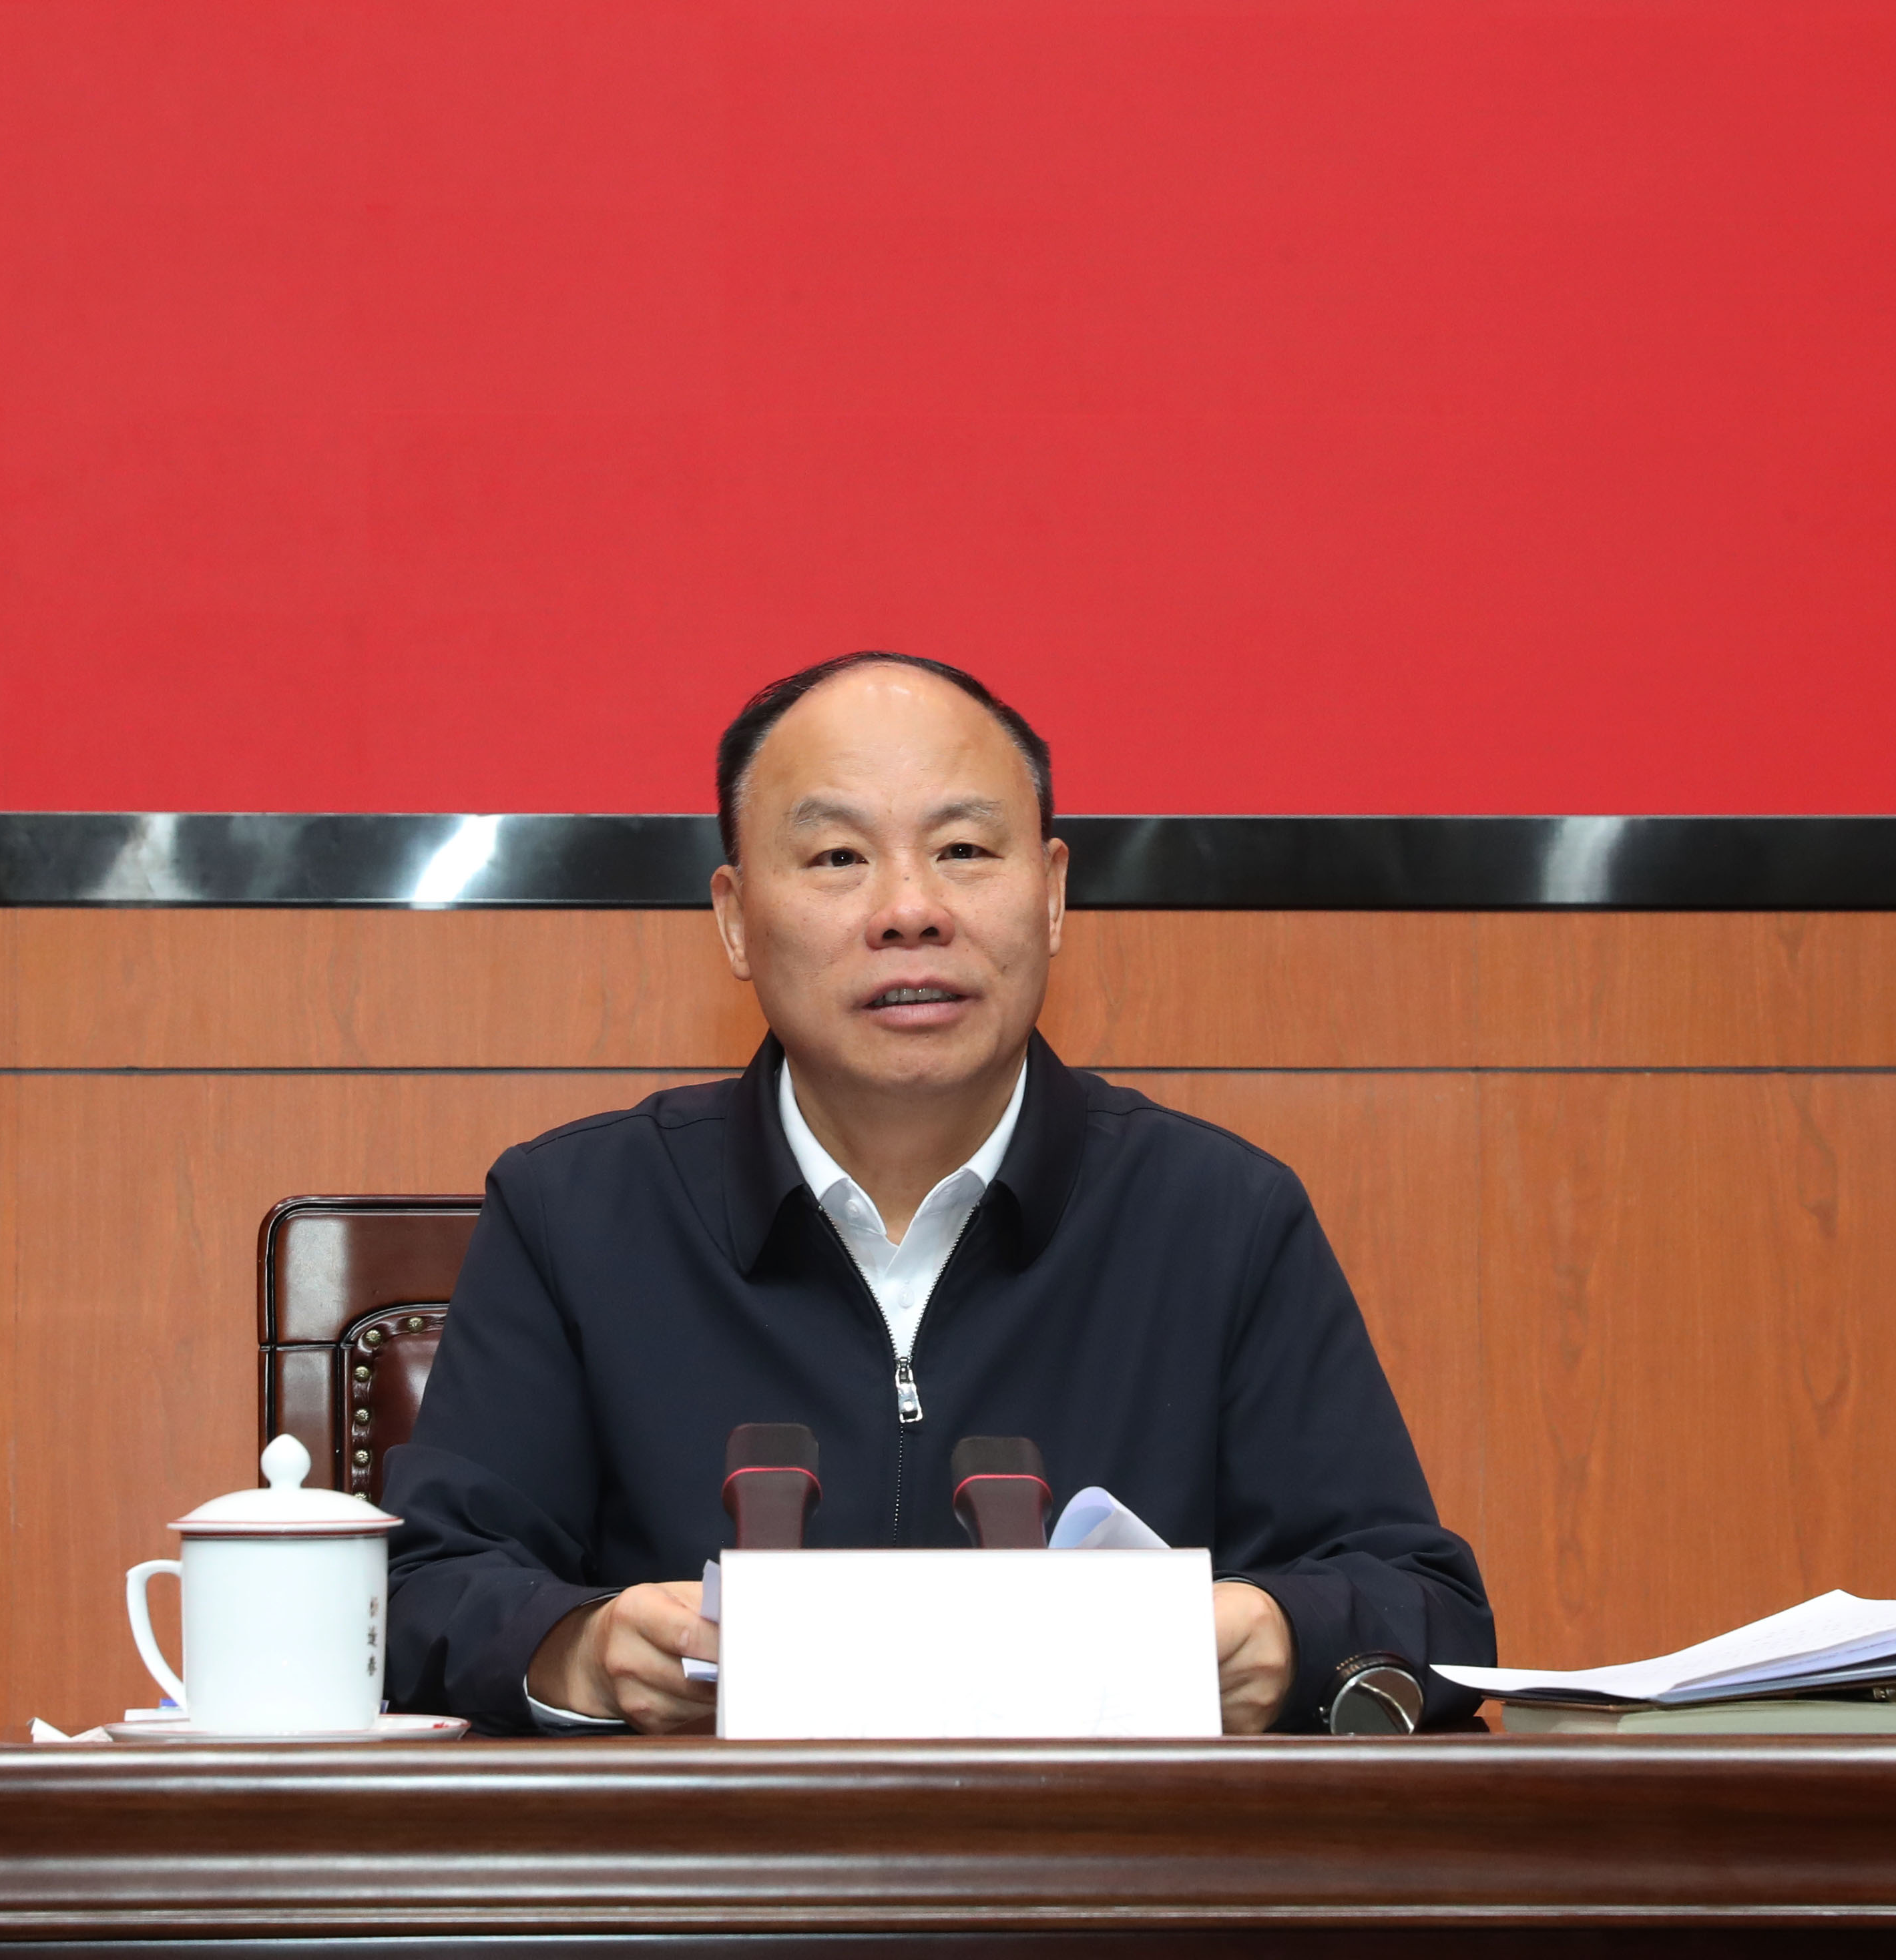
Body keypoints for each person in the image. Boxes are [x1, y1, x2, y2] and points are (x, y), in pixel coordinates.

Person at [382, 653, 1491, 1732]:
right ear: (734, 918)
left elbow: (1428, 1607)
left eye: (963, 850)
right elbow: (418, 1593)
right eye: (837, 858)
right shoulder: (576, 1213)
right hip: (717, 1856)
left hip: (1098, 1856)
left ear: (1052, 895)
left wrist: (1280, 1639)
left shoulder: (1219, 1218)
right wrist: (581, 1649)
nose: (910, 910)